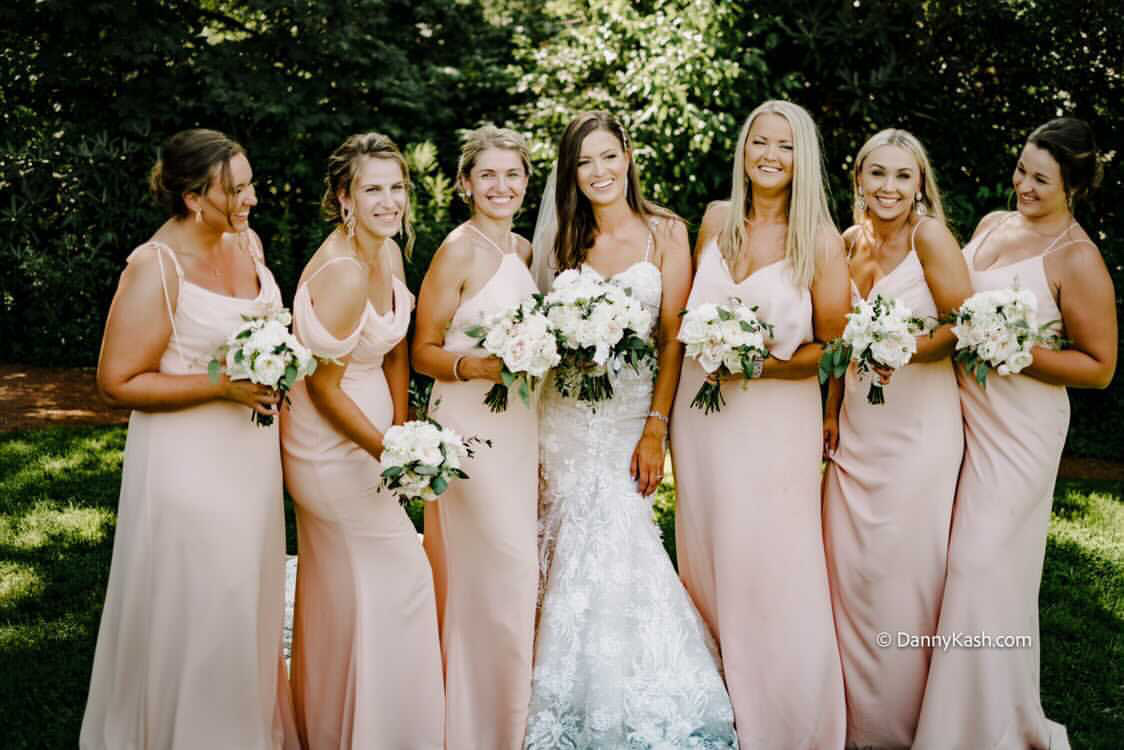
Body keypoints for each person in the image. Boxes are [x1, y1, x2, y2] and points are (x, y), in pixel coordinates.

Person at [523, 111, 737, 749]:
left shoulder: (666, 232)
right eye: (584, 162)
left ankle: (632, 696)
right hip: (563, 412)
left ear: (628, 156)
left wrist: (656, 428)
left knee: (620, 532)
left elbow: (672, 338)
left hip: (628, 416)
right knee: (560, 537)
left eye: (608, 156)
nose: (599, 172)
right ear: (571, 173)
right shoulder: (562, 239)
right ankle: (540, 689)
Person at [82, 128, 297, 749]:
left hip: (250, 458)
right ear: (193, 198)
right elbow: (117, 381)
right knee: (205, 605)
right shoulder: (157, 266)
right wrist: (220, 386)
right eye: (235, 190)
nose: (250, 199)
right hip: (188, 463)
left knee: (247, 600)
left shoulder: (248, 243)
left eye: (250, 184)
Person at [913, 117, 1116, 750]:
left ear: (1072, 187)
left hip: (1021, 429)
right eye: (1022, 170)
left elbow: (1100, 367)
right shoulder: (991, 225)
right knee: (948, 562)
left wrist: (1015, 350)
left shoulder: (1077, 258)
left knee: (981, 566)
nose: (1023, 185)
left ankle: (977, 732)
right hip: (958, 413)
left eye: (1040, 179)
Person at [670, 100, 849, 748]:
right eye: (759, 142)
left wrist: (755, 364)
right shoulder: (717, 220)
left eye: (785, 145)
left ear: (803, 158)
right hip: (700, 419)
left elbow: (833, 349)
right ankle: (715, 707)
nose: (770, 155)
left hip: (774, 424)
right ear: (744, 150)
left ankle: (787, 718)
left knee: (772, 563)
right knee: (707, 554)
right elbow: (687, 319)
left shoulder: (820, 241)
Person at [280, 132, 443, 749]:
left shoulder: (389, 253)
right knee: (406, 576)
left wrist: (401, 428)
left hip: (373, 437)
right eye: (373, 189)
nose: (389, 201)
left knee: (348, 589)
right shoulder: (345, 273)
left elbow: (394, 347)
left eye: (397, 187)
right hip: (327, 449)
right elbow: (324, 390)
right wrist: (389, 450)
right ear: (344, 198)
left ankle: (339, 727)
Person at [821, 129, 971, 749]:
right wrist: (831, 411)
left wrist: (904, 348)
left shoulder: (928, 238)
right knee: (852, 572)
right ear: (859, 179)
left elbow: (963, 326)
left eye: (902, 175)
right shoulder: (846, 242)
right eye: (877, 173)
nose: (889, 187)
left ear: (919, 184)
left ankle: (910, 723)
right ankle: (858, 721)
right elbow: (836, 336)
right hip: (858, 427)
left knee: (906, 575)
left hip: (918, 432)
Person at [413, 126, 539, 749]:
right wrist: (479, 366)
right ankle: (473, 724)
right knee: (500, 567)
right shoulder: (457, 251)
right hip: (469, 427)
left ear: (527, 182)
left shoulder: (525, 249)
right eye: (487, 175)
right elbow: (422, 350)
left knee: (511, 569)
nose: (501, 186)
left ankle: (504, 713)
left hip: (520, 427)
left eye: (512, 174)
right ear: (466, 184)